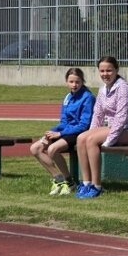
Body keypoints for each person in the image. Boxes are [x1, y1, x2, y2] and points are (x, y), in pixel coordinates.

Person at [75, 56, 128, 199]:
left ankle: (97, 186)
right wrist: (91, 132)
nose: (105, 74)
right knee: (82, 138)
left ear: (116, 70)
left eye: (109, 70)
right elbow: (97, 115)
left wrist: (109, 141)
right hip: (114, 127)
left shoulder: (123, 88)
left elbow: (121, 117)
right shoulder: (102, 90)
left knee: (91, 141)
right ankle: (86, 183)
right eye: (102, 71)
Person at [30, 67, 94, 196]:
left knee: (52, 149)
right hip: (66, 131)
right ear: (67, 82)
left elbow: (84, 124)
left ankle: (70, 182)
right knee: (35, 148)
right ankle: (58, 179)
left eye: (77, 82)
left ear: (82, 82)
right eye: (71, 82)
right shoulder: (67, 97)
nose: (74, 85)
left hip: (79, 133)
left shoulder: (88, 97)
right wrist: (51, 132)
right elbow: (64, 121)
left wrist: (60, 134)